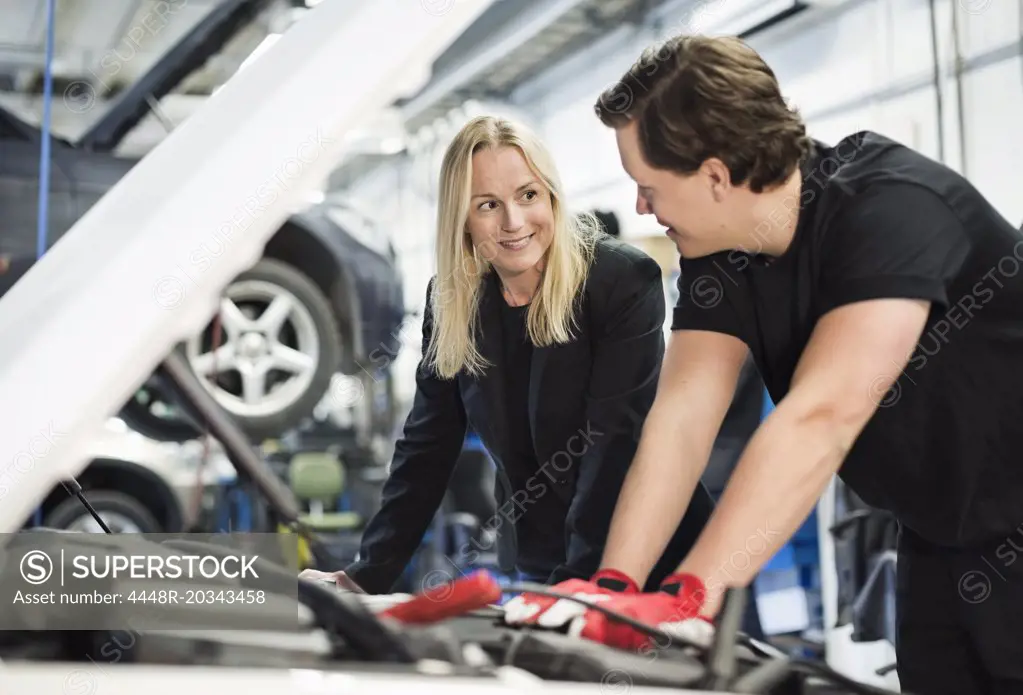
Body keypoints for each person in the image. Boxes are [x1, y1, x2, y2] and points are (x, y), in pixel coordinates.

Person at [505, 33, 1023, 693]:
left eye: (648, 186)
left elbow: (822, 415)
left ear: (715, 175)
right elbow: (681, 417)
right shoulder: (719, 251)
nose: (639, 206)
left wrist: (691, 599)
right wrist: (614, 587)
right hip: (938, 528)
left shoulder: (889, 207)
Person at [300, 114, 715, 595]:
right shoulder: (455, 300)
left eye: (528, 195)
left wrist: (582, 583)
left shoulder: (619, 282)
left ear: (552, 197)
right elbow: (427, 446)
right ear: (463, 219)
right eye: (488, 205)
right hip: (541, 556)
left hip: (649, 556)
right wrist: (365, 574)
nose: (514, 222)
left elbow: (613, 444)